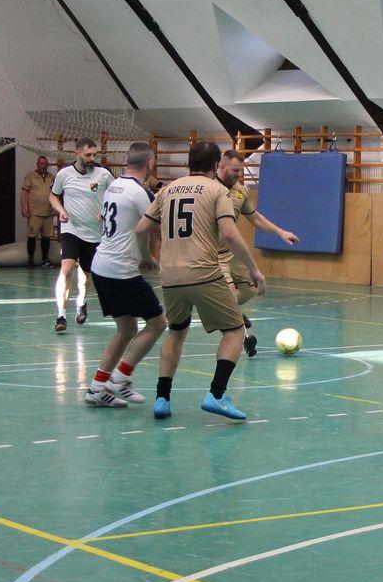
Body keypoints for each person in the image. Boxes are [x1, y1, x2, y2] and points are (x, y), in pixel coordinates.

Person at [135, 141, 266, 421]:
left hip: (170, 274)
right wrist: (253, 268)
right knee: (235, 330)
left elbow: (141, 228)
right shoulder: (218, 191)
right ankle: (217, 394)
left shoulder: (167, 190)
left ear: (188, 163)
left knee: (176, 332)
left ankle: (162, 398)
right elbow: (229, 234)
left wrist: (147, 257)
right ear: (216, 165)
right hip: (204, 272)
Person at [84, 143, 167, 408]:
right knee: (158, 323)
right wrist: (148, 256)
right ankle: (121, 377)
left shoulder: (114, 185)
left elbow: (102, 218)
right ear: (150, 163)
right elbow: (151, 230)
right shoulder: (139, 192)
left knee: (127, 328)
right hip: (121, 271)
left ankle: (97, 389)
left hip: (101, 265)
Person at [216, 149, 299, 357]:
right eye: (235, 170)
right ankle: (244, 337)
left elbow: (255, 218)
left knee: (250, 290)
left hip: (231, 253)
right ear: (221, 167)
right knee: (229, 295)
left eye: (241, 171)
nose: (239, 175)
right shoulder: (209, 188)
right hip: (210, 255)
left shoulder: (240, 192)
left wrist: (280, 232)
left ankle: (229, 312)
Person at [50, 138, 114, 331]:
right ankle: (61, 316)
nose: (92, 158)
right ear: (77, 154)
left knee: (86, 277)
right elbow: (53, 195)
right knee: (67, 269)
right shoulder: (64, 174)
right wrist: (61, 210)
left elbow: (116, 195)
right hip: (71, 229)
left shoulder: (103, 174)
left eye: (94, 154)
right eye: (88, 155)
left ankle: (82, 302)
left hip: (94, 233)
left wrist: (105, 211)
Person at [21, 155, 56, 267]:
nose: (43, 166)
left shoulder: (51, 177)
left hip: (48, 213)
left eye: (45, 164)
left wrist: (55, 208)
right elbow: (24, 193)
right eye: (41, 163)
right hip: (34, 213)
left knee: (46, 237)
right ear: (37, 164)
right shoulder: (30, 176)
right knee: (32, 236)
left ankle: (45, 260)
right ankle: (30, 260)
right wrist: (24, 208)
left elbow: (56, 194)